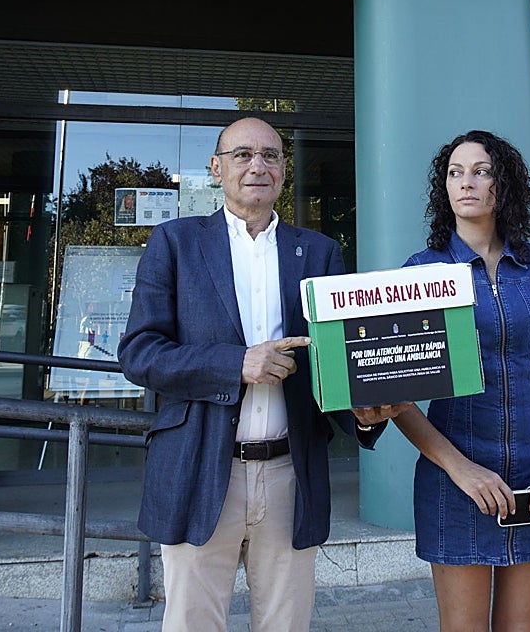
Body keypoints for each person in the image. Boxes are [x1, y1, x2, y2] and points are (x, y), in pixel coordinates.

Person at [118, 117, 404, 632]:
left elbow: (333, 360)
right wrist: (236, 364)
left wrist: (363, 413)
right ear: (217, 168)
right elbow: (140, 353)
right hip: (201, 466)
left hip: (290, 474)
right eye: (243, 154)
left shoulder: (319, 252)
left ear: (284, 170)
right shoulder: (175, 243)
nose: (258, 166)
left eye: (271, 155)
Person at [393, 130, 530, 632]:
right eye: (455, 173)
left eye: (481, 171)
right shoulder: (422, 271)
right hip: (457, 476)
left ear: (505, 184)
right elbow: (395, 393)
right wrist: (460, 469)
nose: (466, 182)